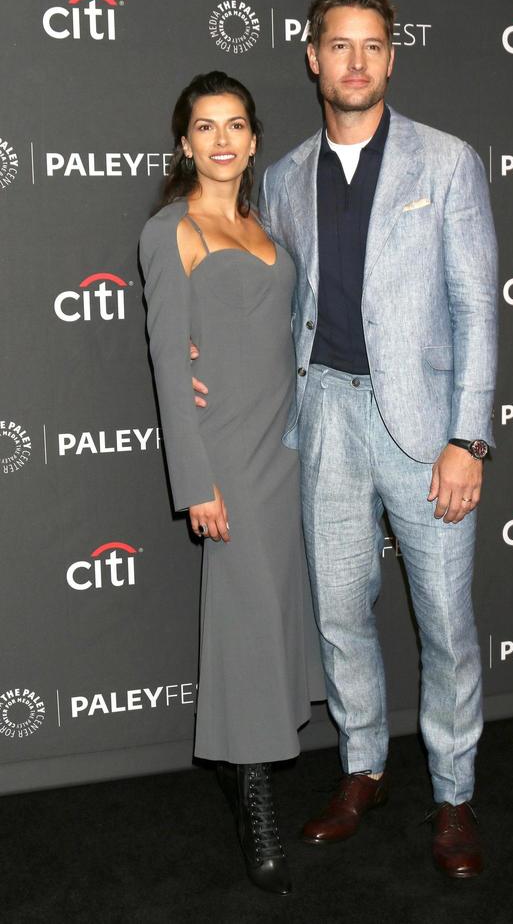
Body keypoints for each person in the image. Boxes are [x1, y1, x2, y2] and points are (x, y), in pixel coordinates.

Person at [193, 0, 498, 879]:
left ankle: (453, 793)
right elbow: (260, 301)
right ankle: (363, 765)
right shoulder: (281, 177)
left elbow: (479, 308)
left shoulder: (446, 164)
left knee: (444, 622)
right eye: (339, 46)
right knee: (338, 614)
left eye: (372, 46)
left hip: (426, 432)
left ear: (391, 58)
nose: (355, 62)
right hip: (321, 415)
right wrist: (200, 355)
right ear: (313, 58)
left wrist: (468, 437)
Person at [140, 71, 322, 895]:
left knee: (276, 615)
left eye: (236, 125)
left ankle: (236, 754)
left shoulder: (266, 223)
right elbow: (168, 365)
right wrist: (197, 482)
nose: (221, 139)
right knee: (246, 621)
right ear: (186, 143)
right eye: (205, 126)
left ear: (253, 141)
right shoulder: (169, 230)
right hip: (227, 459)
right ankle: (253, 800)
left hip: (289, 447)